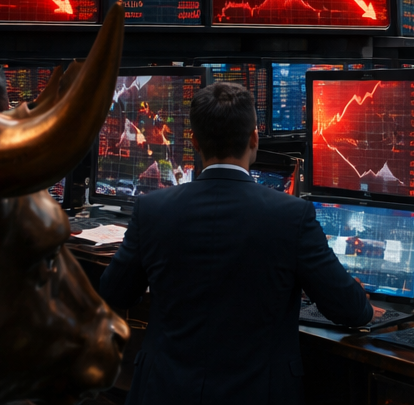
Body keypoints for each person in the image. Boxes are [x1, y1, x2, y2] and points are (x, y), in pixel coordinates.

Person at [100, 82, 371, 405]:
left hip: (163, 391)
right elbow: (352, 311)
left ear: (195, 142)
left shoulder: (152, 210)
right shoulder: (291, 216)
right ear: (254, 139)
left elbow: (114, 293)